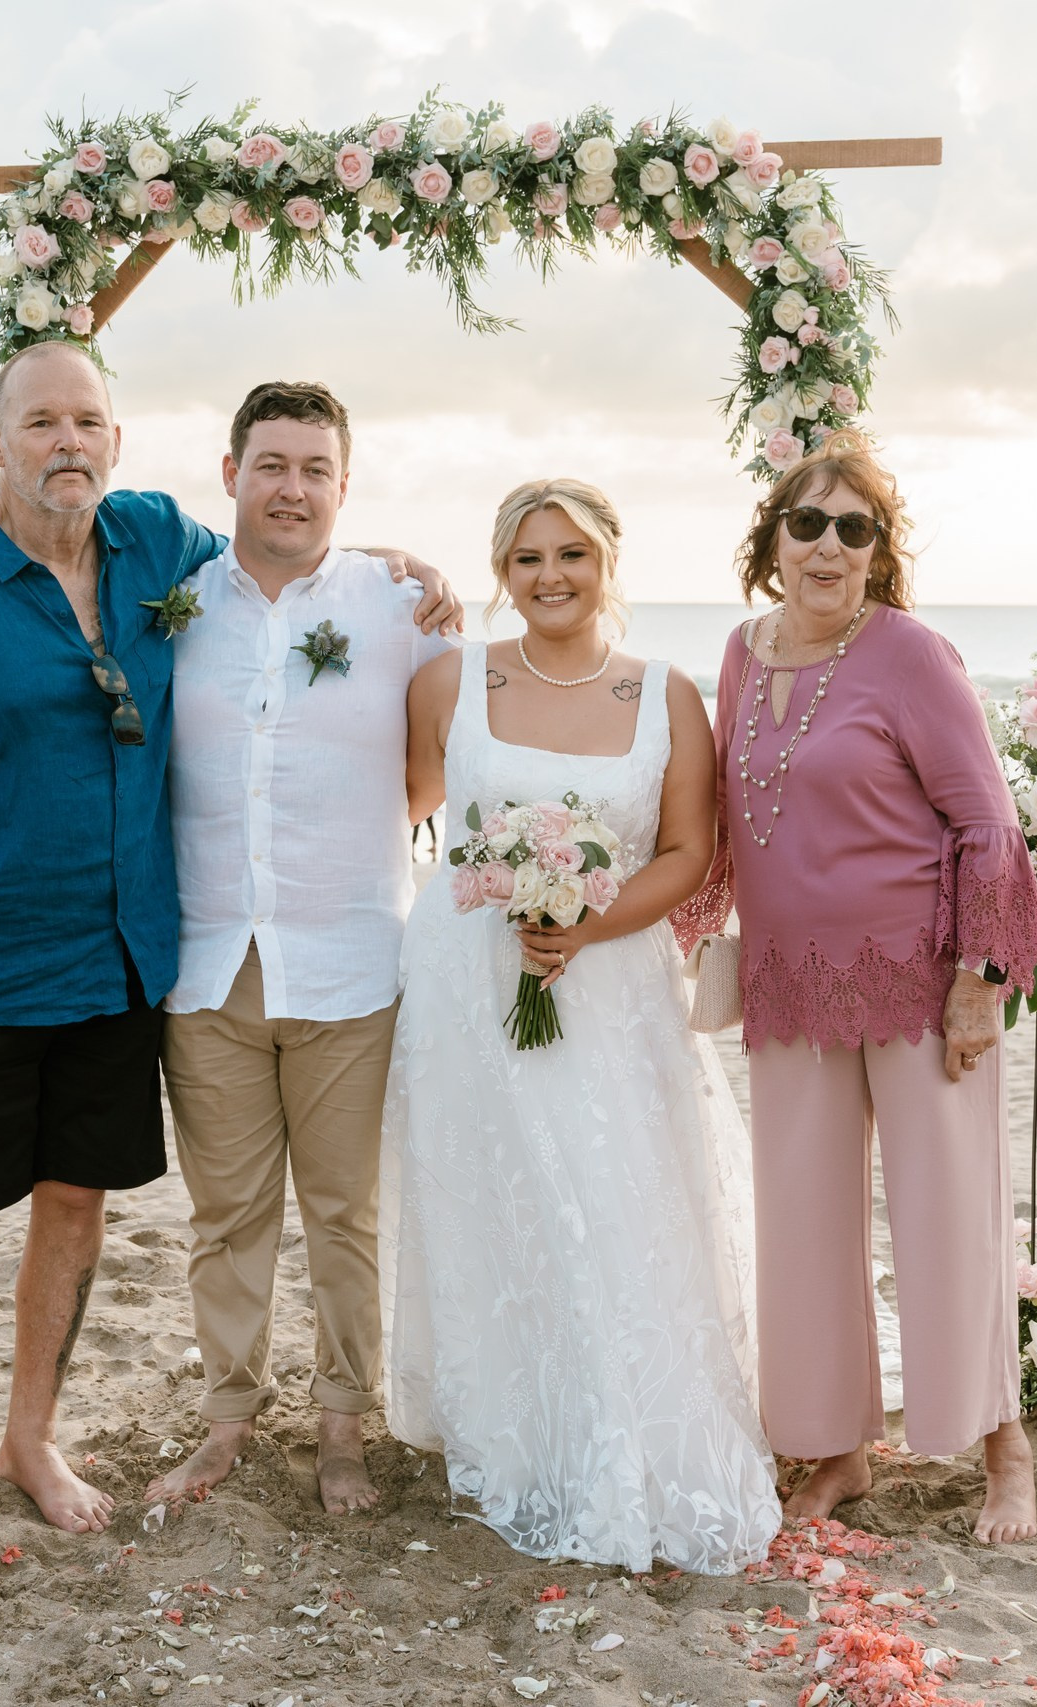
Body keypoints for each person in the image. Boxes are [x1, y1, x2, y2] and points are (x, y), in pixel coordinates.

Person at [0, 342, 456, 1564]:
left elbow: (290, 550)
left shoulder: (150, 544)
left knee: (76, 1206)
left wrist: (394, 563)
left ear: (116, 442)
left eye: (86, 421)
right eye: (40, 422)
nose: (65, 442)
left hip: (123, 964)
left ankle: (30, 1438)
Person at [381, 478, 779, 1574]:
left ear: (608, 562)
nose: (550, 576)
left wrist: (585, 923)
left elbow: (689, 852)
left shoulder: (666, 696)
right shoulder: (449, 682)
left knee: (614, 1195)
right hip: (471, 986)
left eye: (571, 555)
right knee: (495, 1199)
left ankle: (624, 1420)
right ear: (499, 572)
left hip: (611, 987)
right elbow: (405, 813)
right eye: (527, 558)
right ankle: (517, 1423)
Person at [672, 433, 1037, 1546]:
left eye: (854, 528)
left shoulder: (911, 655)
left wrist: (978, 981)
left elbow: (987, 821)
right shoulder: (740, 653)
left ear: (879, 550)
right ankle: (839, 1449)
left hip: (918, 981)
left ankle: (1004, 1448)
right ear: (772, 542)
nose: (828, 546)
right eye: (808, 524)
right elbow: (733, 815)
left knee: (949, 1219)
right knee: (803, 1228)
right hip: (790, 983)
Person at [144, 382, 452, 1518]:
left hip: (353, 963)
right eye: (271, 465)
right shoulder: (169, 603)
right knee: (225, 1217)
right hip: (207, 963)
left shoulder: (403, 605)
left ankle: (341, 1427)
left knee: (344, 1215)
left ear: (344, 484)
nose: (292, 488)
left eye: (315, 469)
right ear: (230, 473)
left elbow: (434, 767)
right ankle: (227, 1421)